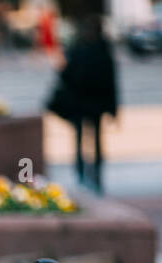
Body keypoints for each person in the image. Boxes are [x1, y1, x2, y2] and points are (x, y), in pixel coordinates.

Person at [47, 15, 116, 193]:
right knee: (94, 141)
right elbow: (111, 83)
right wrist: (113, 108)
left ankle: (82, 174)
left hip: (82, 104)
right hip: (95, 105)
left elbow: (66, 76)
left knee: (81, 139)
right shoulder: (103, 51)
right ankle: (94, 175)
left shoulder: (79, 50)